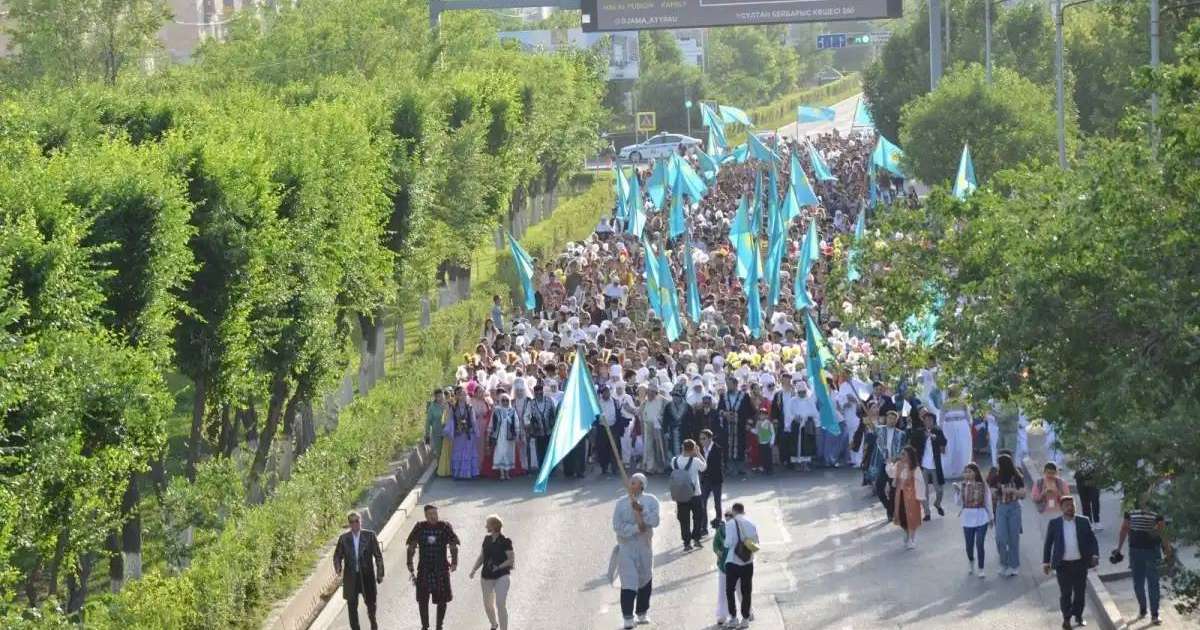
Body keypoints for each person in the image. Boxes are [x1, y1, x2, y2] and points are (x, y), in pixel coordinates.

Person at [1042, 496, 1099, 630]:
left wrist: (1095, 555)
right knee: (1066, 593)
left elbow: (1092, 540)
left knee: (1080, 593)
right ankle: (1066, 618)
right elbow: (1048, 543)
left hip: (1080, 563)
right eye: (1067, 505)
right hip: (1063, 565)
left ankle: (1078, 616)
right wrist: (1046, 562)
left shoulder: (1083, 521)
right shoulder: (1054, 523)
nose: (1070, 508)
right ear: (1061, 508)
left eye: (1072, 505)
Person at [612, 473, 661, 629]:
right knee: (629, 581)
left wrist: (642, 511)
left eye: (635, 482)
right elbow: (617, 527)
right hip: (626, 547)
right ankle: (627, 617)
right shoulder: (620, 503)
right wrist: (634, 528)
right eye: (630, 482)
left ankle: (642, 612)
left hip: (644, 545)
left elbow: (655, 521)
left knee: (645, 579)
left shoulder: (651, 501)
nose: (631, 484)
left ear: (642, 485)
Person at [1114, 499, 1169, 624]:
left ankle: (1145, 610)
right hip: (1150, 551)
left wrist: (1119, 548)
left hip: (1137, 550)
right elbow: (1162, 530)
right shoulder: (1156, 506)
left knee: (1139, 582)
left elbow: (1124, 528)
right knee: (1152, 582)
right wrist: (1167, 549)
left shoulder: (1131, 507)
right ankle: (1153, 614)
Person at [406, 505, 461, 630]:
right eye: (430, 514)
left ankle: (439, 626)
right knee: (422, 599)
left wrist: (454, 561)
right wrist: (409, 563)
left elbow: (453, 544)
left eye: (435, 513)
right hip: (424, 568)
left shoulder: (444, 527)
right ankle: (425, 626)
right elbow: (411, 546)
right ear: (426, 515)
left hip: (441, 569)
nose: (433, 516)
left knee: (442, 600)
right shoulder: (420, 527)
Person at [333, 511, 385, 630]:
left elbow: (378, 556)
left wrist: (380, 573)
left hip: (367, 576)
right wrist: (338, 568)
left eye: (357, 521)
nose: (355, 524)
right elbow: (337, 556)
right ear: (349, 524)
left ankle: (373, 624)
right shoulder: (344, 539)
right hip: (351, 578)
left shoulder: (370, 536)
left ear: (361, 521)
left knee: (371, 606)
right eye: (352, 522)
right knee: (352, 608)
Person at [468, 514, 515, 630]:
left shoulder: (505, 541)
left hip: (502, 576)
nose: (485, 526)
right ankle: (494, 624)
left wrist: (499, 567)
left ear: (493, 526)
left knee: (500, 603)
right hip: (486, 576)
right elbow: (482, 556)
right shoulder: (487, 539)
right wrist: (474, 569)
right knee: (488, 605)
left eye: (487, 524)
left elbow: (511, 560)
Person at [987, 451, 1026, 576]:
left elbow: (1023, 494)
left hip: (1014, 508)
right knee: (1001, 538)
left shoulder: (1017, 477)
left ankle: (1014, 565)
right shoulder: (995, 478)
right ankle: (1004, 563)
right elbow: (991, 493)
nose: (997, 467)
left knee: (1013, 538)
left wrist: (1013, 490)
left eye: (999, 464)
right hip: (1001, 508)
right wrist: (999, 490)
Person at [954, 463, 994, 578]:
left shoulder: (983, 485)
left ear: (975, 473)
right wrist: (957, 492)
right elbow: (958, 503)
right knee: (969, 546)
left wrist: (991, 517)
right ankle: (971, 561)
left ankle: (981, 568)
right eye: (966, 471)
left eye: (970, 471)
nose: (968, 474)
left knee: (980, 543)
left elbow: (988, 502)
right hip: (967, 519)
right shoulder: (963, 486)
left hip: (981, 517)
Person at [723, 502, 760, 628]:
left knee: (729, 590)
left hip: (733, 561)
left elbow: (728, 543)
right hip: (748, 562)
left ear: (733, 511)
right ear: (743, 511)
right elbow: (756, 542)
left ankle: (733, 618)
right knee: (746, 591)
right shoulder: (751, 523)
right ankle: (745, 618)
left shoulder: (730, 524)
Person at [669, 439, 708, 550]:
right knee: (698, 517)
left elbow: (674, 470)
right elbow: (704, 467)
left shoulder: (674, 460)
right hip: (695, 493)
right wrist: (699, 453)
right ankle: (696, 538)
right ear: (693, 449)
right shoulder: (695, 461)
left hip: (680, 494)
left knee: (684, 519)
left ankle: (687, 542)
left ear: (682, 448)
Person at [909, 408, 947, 521]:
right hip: (923, 466)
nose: (928, 422)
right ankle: (927, 513)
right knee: (923, 490)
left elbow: (944, 442)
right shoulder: (919, 432)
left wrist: (935, 438)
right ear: (923, 421)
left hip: (935, 465)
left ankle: (937, 504)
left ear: (933, 421)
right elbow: (912, 444)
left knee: (939, 490)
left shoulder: (937, 431)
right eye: (926, 420)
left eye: (930, 420)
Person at [887, 445, 925, 549]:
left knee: (912, 516)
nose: (901, 456)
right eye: (901, 453)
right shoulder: (898, 465)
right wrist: (889, 463)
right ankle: (907, 532)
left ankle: (912, 539)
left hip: (911, 496)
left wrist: (920, 496)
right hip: (900, 495)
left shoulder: (915, 468)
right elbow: (891, 474)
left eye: (904, 454)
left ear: (909, 456)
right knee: (901, 516)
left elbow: (920, 483)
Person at [447, 386, 480, 479]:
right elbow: (450, 421)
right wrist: (450, 432)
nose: (463, 396)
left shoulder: (470, 407)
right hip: (458, 434)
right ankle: (457, 473)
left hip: (469, 433)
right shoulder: (453, 408)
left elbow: (473, 420)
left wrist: (476, 432)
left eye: (464, 394)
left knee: (468, 452)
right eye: (460, 394)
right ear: (456, 396)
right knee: (458, 452)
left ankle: (469, 473)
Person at [699, 428, 725, 532]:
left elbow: (714, 465)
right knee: (702, 503)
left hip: (716, 480)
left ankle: (718, 522)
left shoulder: (717, 449)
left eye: (703, 438)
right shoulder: (701, 450)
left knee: (717, 503)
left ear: (710, 438)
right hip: (705, 481)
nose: (701, 441)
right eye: (700, 439)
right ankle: (703, 527)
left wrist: (701, 460)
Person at [712, 510, 734, 627]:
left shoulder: (738, 529)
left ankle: (747, 612)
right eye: (726, 518)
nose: (727, 520)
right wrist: (718, 551)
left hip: (737, 565)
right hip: (723, 566)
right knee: (722, 592)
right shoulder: (721, 530)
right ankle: (722, 615)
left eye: (730, 518)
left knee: (741, 590)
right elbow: (715, 544)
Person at [489, 393, 519, 480]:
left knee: (508, 453)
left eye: (507, 400)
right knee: (500, 452)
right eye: (503, 400)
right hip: (499, 436)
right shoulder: (496, 411)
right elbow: (492, 422)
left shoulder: (512, 411)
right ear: (500, 401)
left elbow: (516, 423)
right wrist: (489, 433)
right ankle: (502, 473)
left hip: (509, 436)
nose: (505, 402)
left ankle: (507, 473)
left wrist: (517, 434)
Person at [1033, 462, 1070, 526]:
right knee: (1046, 534)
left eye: (1053, 473)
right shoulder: (1039, 482)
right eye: (1048, 473)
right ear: (1044, 472)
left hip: (1059, 512)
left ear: (1056, 473)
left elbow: (1067, 499)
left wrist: (1057, 492)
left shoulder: (1061, 483)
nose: (1050, 475)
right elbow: (1035, 498)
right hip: (1044, 513)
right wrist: (1043, 493)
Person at [1072, 457, 1102, 531]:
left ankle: (1097, 521)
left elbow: (1099, 465)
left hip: (1093, 480)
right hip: (1080, 481)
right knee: (1085, 503)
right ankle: (1088, 522)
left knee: (1095, 501)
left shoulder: (1094, 452)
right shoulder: (1076, 452)